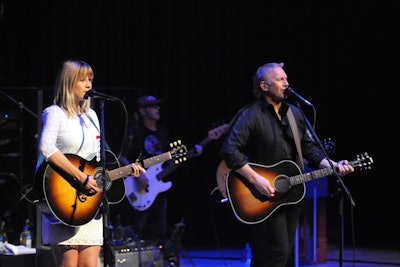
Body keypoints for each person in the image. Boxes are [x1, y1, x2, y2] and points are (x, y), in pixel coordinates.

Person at [219, 62, 354, 267]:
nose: (286, 83)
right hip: (261, 196)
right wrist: (255, 179)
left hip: (290, 193)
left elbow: (310, 149)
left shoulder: (295, 113)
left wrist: (333, 164)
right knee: (277, 252)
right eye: (280, 79)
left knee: (287, 254)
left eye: (286, 78)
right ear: (264, 86)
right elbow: (229, 150)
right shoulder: (250, 115)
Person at [37, 60, 145, 267]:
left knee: (90, 263)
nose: (89, 85)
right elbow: (47, 148)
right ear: (69, 83)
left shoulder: (92, 116)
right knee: (69, 263)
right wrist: (80, 177)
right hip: (64, 198)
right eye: (82, 80)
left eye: (90, 80)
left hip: (90, 201)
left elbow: (97, 158)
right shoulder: (55, 113)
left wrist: (127, 170)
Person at [117, 95, 203, 243]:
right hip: (137, 186)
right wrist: (138, 175)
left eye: (158, 106)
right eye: (153, 106)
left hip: (157, 189)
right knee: (137, 232)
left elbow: (171, 159)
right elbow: (121, 157)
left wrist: (191, 154)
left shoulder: (162, 132)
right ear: (143, 111)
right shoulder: (135, 131)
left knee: (159, 233)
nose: (158, 108)